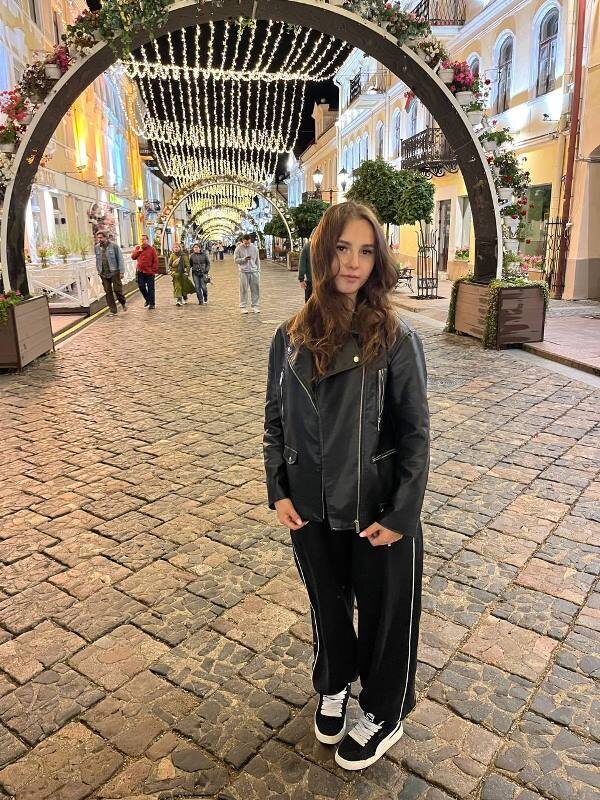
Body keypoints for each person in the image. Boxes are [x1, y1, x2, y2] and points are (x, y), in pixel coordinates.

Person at [263, 201, 429, 772]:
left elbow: (415, 434)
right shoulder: (288, 338)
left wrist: (402, 513)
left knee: (387, 615)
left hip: (375, 507)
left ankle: (384, 710)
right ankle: (333, 683)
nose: (353, 263)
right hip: (310, 507)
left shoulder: (396, 339)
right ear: (321, 253)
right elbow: (274, 420)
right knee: (328, 607)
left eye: (365, 250)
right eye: (341, 249)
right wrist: (279, 489)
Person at [95, 231, 126, 316]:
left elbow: (120, 259)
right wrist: (99, 271)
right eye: (98, 238)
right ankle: (113, 310)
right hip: (103, 273)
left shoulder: (114, 246)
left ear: (106, 237)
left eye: (101, 237)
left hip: (114, 272)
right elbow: (97, 260)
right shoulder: (97, 247)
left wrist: (121, 271)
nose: (99, 239)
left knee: (117, 290)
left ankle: (123, 302)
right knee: (108, 291)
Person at [234, 234, 261, 314]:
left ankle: (255, 306)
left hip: (254, 271)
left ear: (250, 241)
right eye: (245, 243)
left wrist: (258, 270)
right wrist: (244, 259)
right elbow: (236, 260)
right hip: (243, 272)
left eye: (248, 243)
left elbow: (257, 260)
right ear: (242, 241)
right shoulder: (238, 248)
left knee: (255, 289)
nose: (247, 245)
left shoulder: (254, 248)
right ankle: (243, 307)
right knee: (243, 289)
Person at [131, 233, 158, 310]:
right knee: (141, 286)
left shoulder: (152, 249)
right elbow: (133, 257)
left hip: (149, 272)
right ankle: (147, 299)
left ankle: (152, 303)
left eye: (144, 239)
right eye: (141, 240)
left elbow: (155, 260)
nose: (142, 241)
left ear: (147, 240)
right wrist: (139, 251)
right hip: (140, 271)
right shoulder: (138, 248)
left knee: (151, 288)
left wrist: (153, 270)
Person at [168, 243, 195, 307]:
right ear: (173, 249)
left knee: (184, 287)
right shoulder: (172, 255)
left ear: (180, 248)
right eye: (174, 247)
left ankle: (185, 297)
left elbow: (188, 265)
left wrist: (187, 272)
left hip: (183, 274)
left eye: (177, 247)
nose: (176, 248)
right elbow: (169, 265)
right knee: (177, 287)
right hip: (176, 274)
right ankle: (179, 300)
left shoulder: (184, 255)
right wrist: (172, 271)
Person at [298, 232, 315, 302]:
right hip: (323, 281)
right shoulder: (325, 247)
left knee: (309, 302)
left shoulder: (307, 247)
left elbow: (302, 264)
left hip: (310, 281)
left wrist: (301, 279)